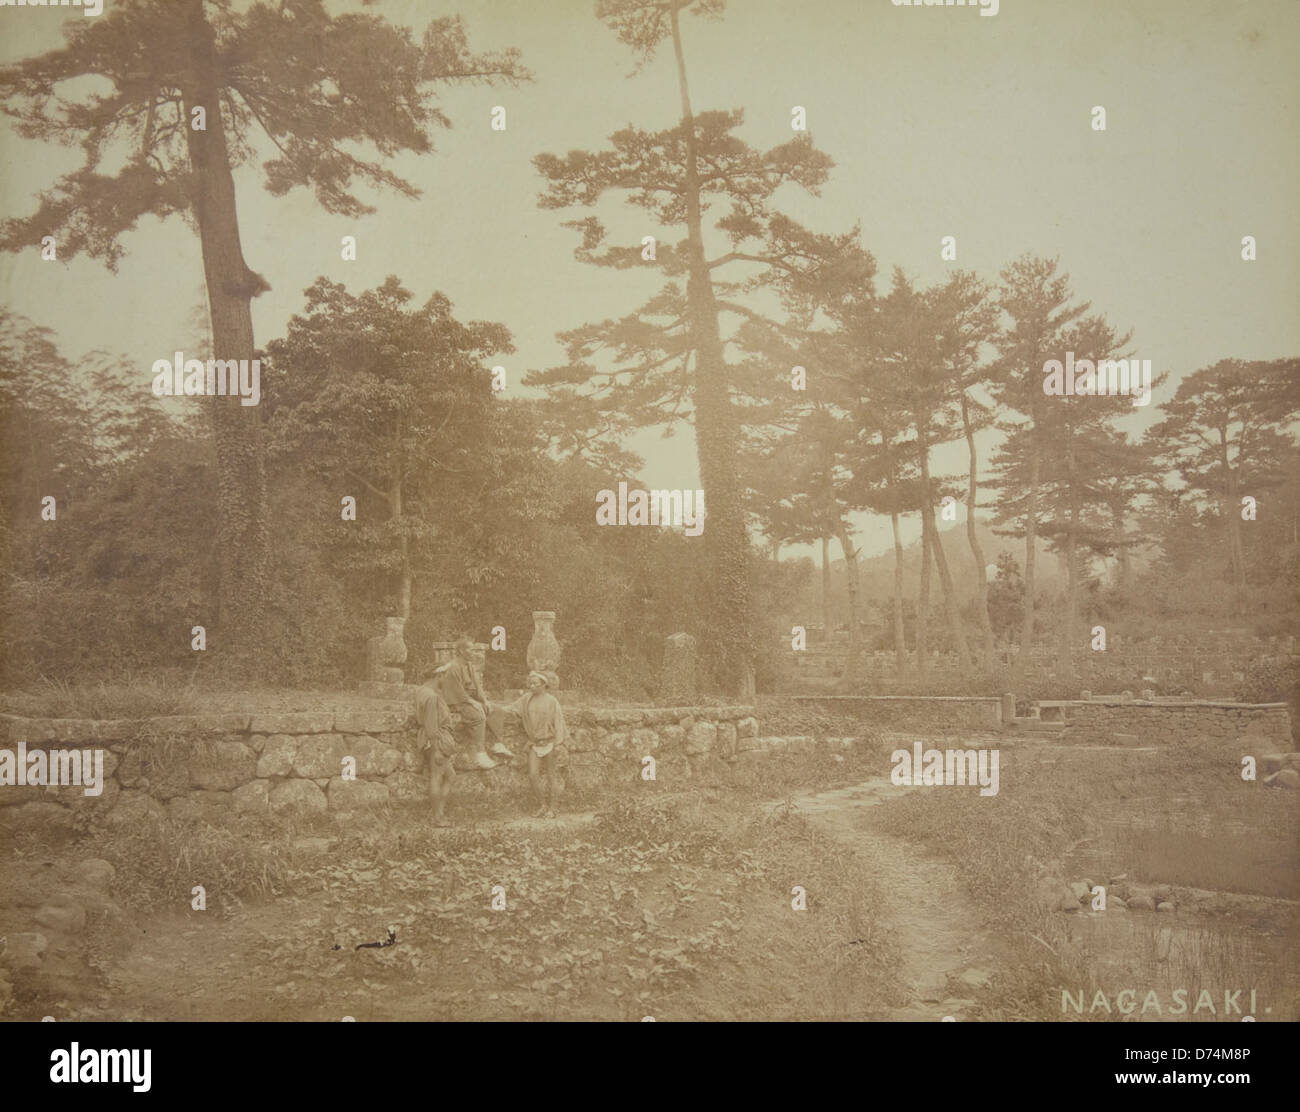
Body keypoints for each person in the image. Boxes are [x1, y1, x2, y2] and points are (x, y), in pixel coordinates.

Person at [433, 637, 514, 768]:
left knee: (497, 710)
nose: (473, 651)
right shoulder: (454, 668)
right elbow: (457, 692)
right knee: (478, 716)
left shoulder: (470, 666)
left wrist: (484, 701)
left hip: (470, 700)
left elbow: (478, 687)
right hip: (457, 702)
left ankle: (498, 744)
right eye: (470, 648)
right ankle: (480, 754)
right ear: (461, 651)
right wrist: (473, 703)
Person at [502, 670, 566, 818]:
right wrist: (490, 707)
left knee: (551, 776)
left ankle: (553, 808)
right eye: (530, 683)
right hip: (534, 743)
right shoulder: (526, 699)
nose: (531, 686)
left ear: (544, 685)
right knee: (532, 775)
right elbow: (511, 708)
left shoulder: (551, 701)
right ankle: (542, 805)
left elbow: (559, 722)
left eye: (535, 683)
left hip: (550, 742)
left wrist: (558, 744)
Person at [413, 668, 457, 827]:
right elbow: (431, 726)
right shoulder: (431, 696)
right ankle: (437, 817)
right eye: (445, 676)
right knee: (437, 776)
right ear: (438, 675)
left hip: (429, 739)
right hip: (435, 740)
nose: (446, 680)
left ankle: (438, 813)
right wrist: (437, 750)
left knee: (450, 776)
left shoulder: (421, 691)